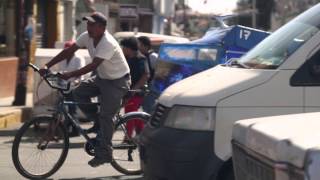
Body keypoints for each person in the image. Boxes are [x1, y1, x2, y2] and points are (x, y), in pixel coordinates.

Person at [39, 12, 131, 167]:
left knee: (107, 117)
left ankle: (105, 154)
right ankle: (97, 122)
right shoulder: (87, 36)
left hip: (118, 81)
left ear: (102, 28)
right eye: (88, 24)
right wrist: (47, 65)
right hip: (102, 78)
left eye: (92, 25)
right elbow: (69, 51)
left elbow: (93, 65)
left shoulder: (107, 43)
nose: (89, 27)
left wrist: (70, 74)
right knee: (78, 93)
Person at [120, 37, 150, 139]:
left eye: (124, 47)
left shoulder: (141, 58)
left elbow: (146, 75)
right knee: (134, 113)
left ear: (129, 48)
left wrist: (134, 89)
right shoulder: (126, 58)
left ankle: (128, 137)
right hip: (127, 90)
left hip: (136, 92)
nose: (122, 49)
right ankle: (141, 134)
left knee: (129, 113)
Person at [137, 36, 159, 114]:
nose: (137, 47)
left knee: (149, 108)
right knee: (145, 107)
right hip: (144, 88)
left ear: (146, 46)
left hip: (152, 88)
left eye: (139, 44)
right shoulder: (140, 57)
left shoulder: (153, 57)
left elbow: (160, 72)